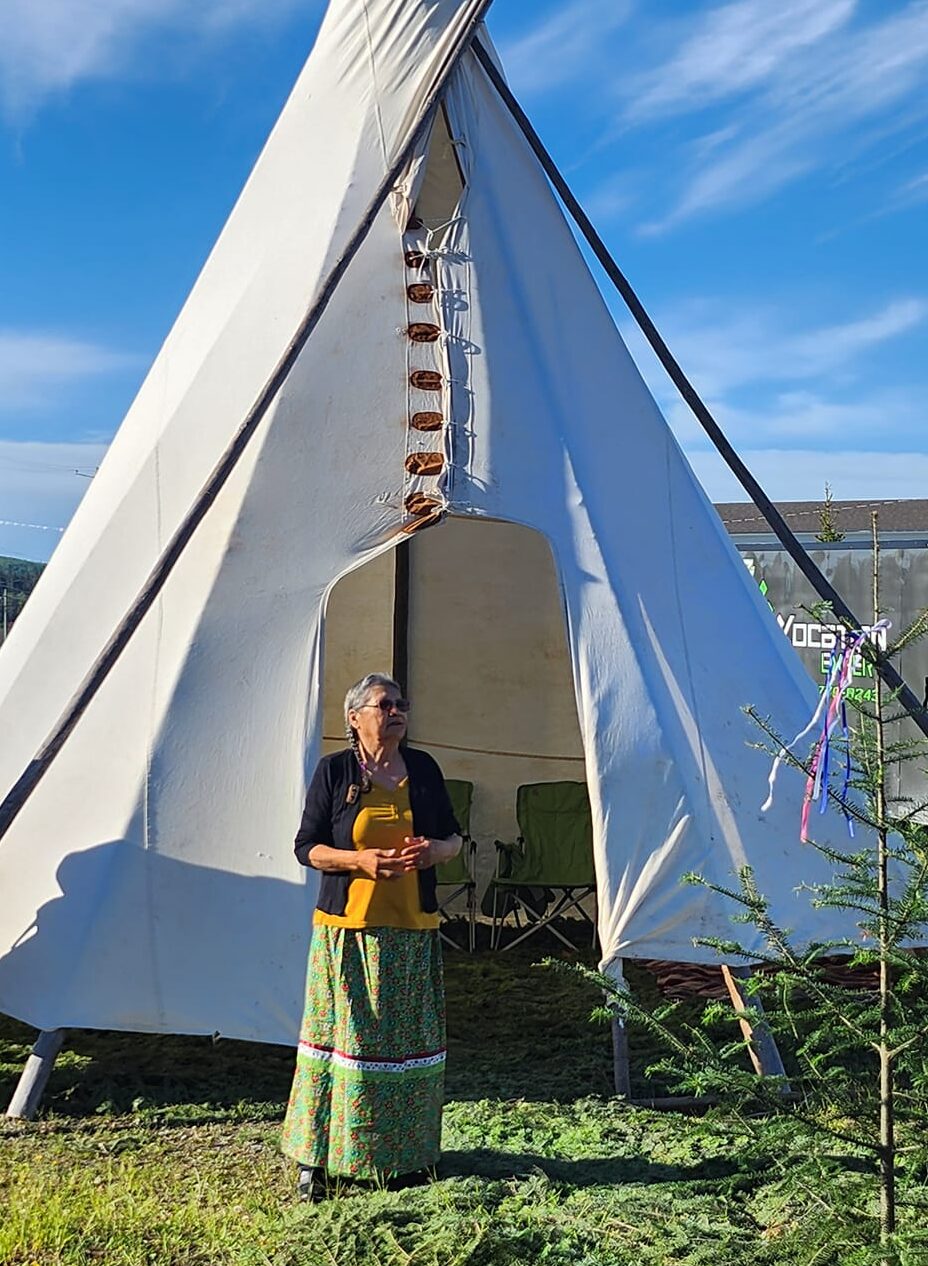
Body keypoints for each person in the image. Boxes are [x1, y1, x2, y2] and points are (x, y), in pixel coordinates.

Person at [280, 672, 462, 1198]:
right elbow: (307, 848)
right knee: (341, 1045)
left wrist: (437, 852)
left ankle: (402, 1157)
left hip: (411, 931)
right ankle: (318, 1160)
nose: (397, 711)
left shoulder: (423, 769)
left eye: (401, 703)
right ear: (354, 717)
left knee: (407, 1048)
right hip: (348, 933)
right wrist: (358, 861)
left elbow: (453, 837)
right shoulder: (335, 771)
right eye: (385, 704)